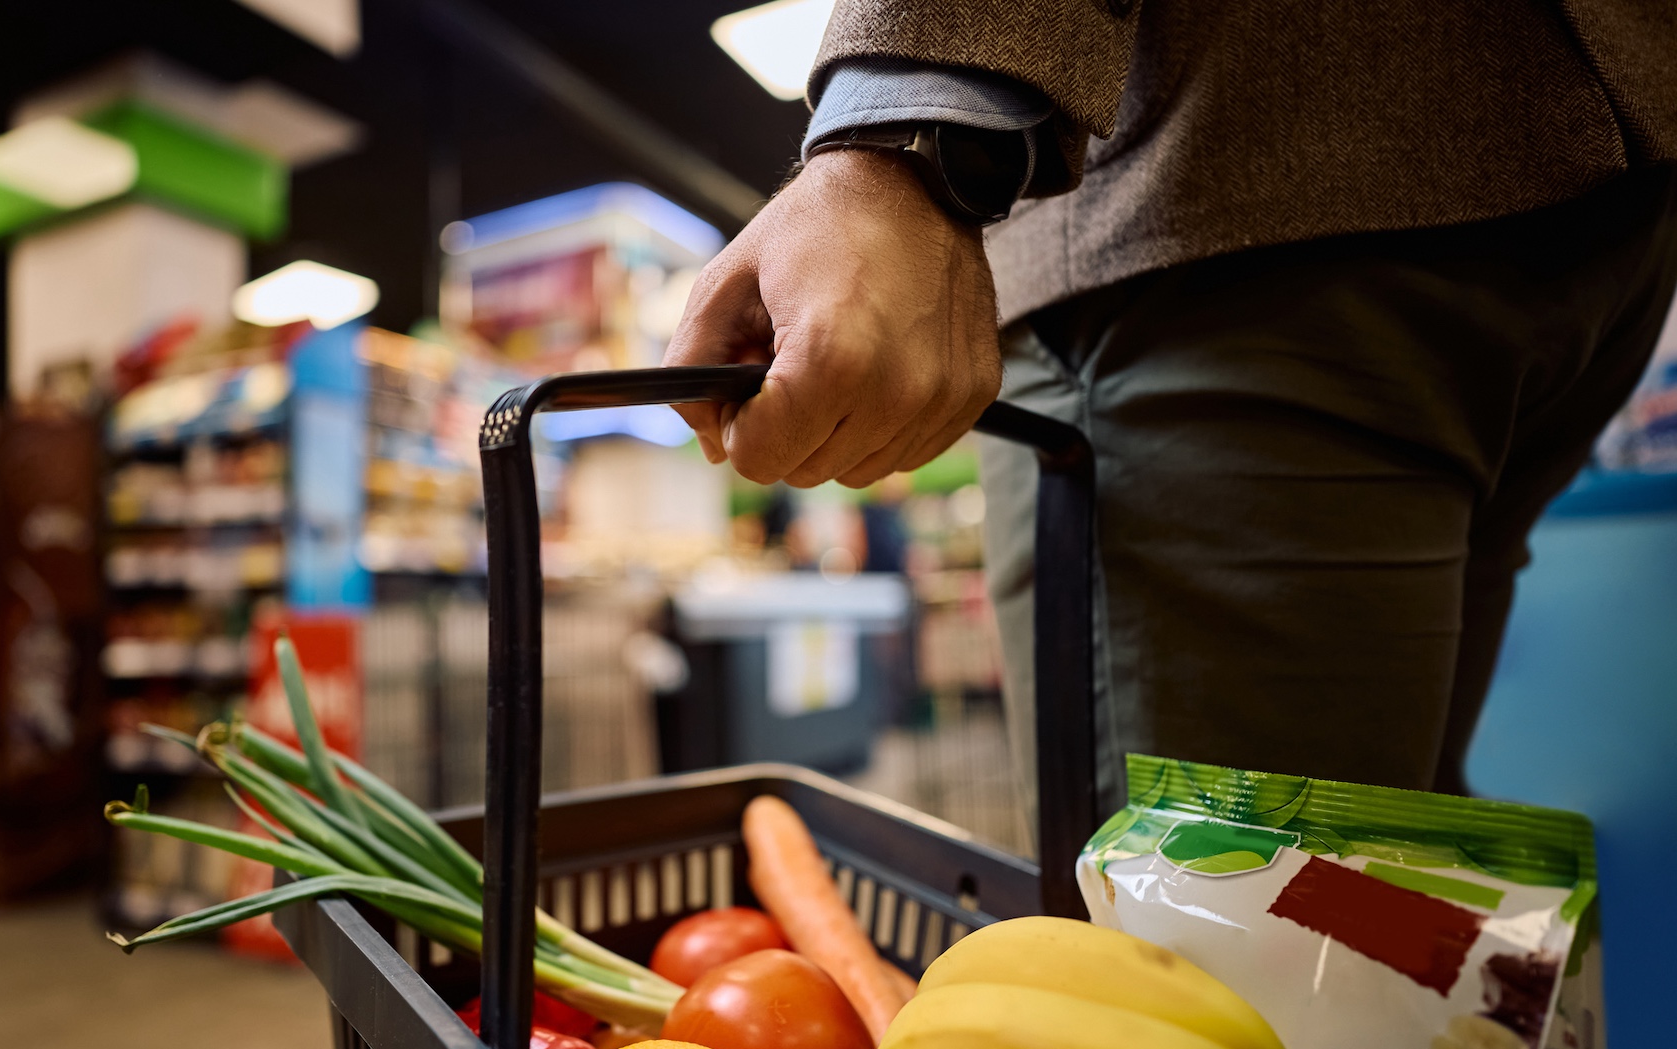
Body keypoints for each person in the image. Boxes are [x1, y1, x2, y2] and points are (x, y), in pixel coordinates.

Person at [664, 2, 1677, 821]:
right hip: (1469, 196)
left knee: (1284, 918)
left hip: (1267, 198)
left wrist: (896, 139)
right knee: (1341, 893)